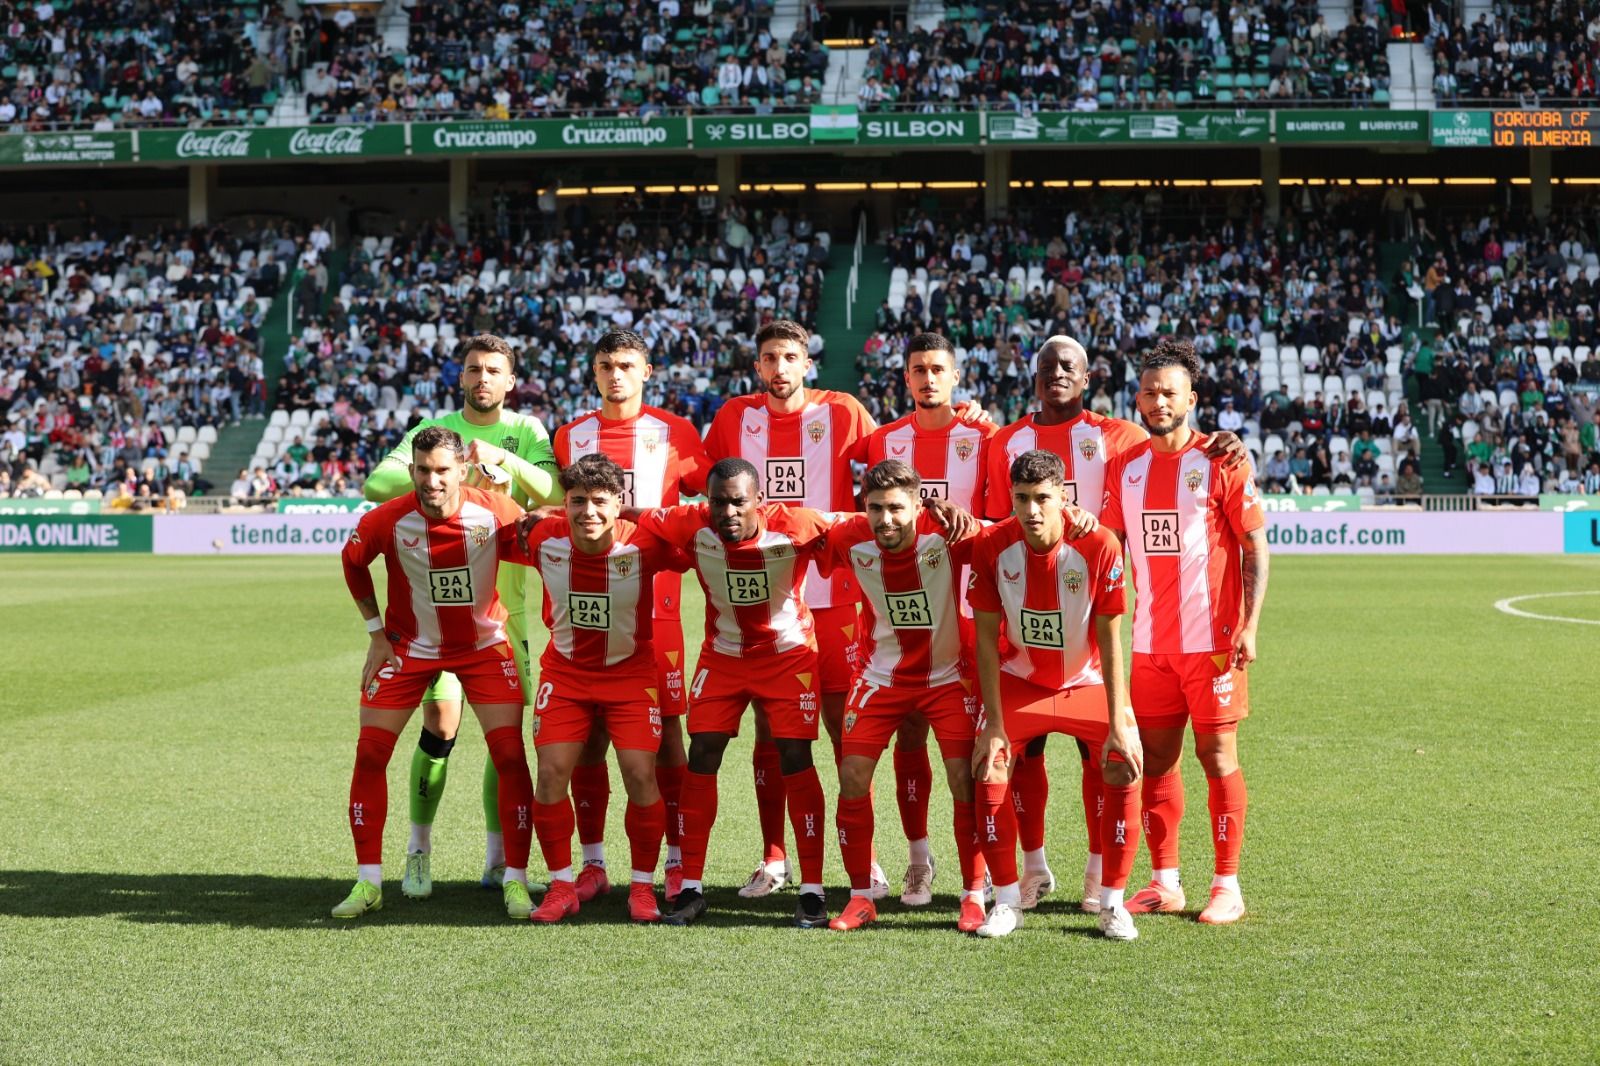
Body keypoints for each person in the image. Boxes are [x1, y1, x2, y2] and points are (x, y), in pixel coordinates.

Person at [982, 335, 1244, 915]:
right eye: (1047, 367)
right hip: (1029, 626)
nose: (1057, 375)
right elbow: (992, 521)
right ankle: (1035, 868)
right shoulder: (1003, 441)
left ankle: (1103, 875)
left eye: (1068, 367)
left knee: (1103, 756)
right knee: (1025, 756)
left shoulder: (1118, 439)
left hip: (1099, 631)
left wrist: (1230, 443)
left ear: (1088, 378)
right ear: (1032, 376)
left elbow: (1174, 462)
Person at [361, 333, 562, 897]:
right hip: (434, 613)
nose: (482, 379)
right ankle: (418, 850)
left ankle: (499, 860)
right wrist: (456, 478)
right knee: (439, 725)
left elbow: (553, 488)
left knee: (507, 737)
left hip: (507, 614)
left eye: (493, 370)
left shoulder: (527, 431)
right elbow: (377, 483)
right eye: (473, 369)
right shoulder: (438, 430)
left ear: (510, 380)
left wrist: (504, 462)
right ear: (461, 376)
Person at [703, 319, 880, 899]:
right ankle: (773, 857)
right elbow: (701, 482)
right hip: (768, 599)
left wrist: (968, 416)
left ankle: (865, 858)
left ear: (808, 363)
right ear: (757, 366)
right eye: (769, 357)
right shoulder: (733, 418)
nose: (779, 367)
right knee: (769, 732)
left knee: (844, 730)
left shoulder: (844, 412)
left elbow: (892, 457)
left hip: (834, 599)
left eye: (790, 357)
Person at [334, 426, 537, 920]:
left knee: (510, 756)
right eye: (423, 470)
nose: (432, 481)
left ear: (462, 471)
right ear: (412, 472)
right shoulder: (387, 519)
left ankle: (514, 878)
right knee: (369, 754)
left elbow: (543, 551)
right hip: (409, 648)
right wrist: (375, 633)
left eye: (443, 470)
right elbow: (353, 561)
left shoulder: (494, 511)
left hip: (484, 646)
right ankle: (369, 881)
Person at [1100, 338, 1270, 926]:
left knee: (1217, 755)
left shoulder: (1221, 460)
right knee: (1157, 761)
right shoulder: (1124, 467)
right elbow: (1109, 547)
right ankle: (1165, 880)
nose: (1157, 400)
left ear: (1191, 399)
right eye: (1148, 391)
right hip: (1148, 646)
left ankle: (1227, 884)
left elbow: (1254, 549)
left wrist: (1249, 625)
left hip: (1213, 645)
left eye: (1169, 391)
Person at [639, 457, 836, 928]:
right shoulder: (691, 524)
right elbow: (626, 515)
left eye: (738, 502)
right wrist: (552, 517)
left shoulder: (798, 525)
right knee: (701, 751)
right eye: (718, 502)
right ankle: (690, 887)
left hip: (788, 655)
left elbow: (861, 524)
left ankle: (811, 890)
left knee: (795, 755)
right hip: (723, 656)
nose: (727, 512)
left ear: (759, 503)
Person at [551, 329, 711, 907]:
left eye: (625, 364)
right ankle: (592, 864)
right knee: (587, 740)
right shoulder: (571, 435)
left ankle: (672, 860)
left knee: (666, 738)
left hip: (656, 611)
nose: (615, 374)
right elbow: (555, 508)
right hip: (585, 609)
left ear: (647, 370)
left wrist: (659, 519)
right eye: (604, 365)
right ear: (593, 372)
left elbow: (710, 499)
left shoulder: (677, 433)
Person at [966, 449, 1144, 940]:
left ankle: (1112, 903)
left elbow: (1111, 641)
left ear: (1063, 497)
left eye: (1043, 498)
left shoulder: (1101, 545)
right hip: (1021, 680)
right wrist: (994, 725)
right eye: (1021, 498)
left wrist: (1118, 720)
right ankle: (1005, 901)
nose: (1032, 510)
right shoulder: (992, 547)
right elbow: (985, 638)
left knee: (1122, 761)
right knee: (991, 762)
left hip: (1084, 682)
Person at [506, 455, 690, 924]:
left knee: (640, 774)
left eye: (600, 502)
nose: (588, 511)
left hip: (630, 675)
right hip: (566, 675)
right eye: (578, 502)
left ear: (618, 504)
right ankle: (563, 884)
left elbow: (698, 542)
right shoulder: (542, 538)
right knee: (550, 774)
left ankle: (644, 887)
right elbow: (491, 527)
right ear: (564, 505)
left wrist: (644, 515)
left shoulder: (645, 544)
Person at [850, 332, 996, 906]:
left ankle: (997, 875)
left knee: (974, 758)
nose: (928, 378)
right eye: (918, 370)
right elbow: (860, 520)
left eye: (938, 369)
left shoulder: (985, 436)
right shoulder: (883, 441)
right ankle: (918, 860)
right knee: (907, 740)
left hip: (965, 619)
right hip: (897, 620)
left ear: (955, 377)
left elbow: (999, 520)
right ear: (905, 378)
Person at [818, 460, 988, 932]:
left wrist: (1077, 517)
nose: (885, 519)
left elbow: (1013, 533)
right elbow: (780, 523)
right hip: (880, 676)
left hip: (948, 675)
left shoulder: (950, 532)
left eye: (896, 508)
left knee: (963, 781)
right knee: (851, 775)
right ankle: (859, 896)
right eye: (875, 508)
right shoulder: (847, 536)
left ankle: (974, 895)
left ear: (918, 506)